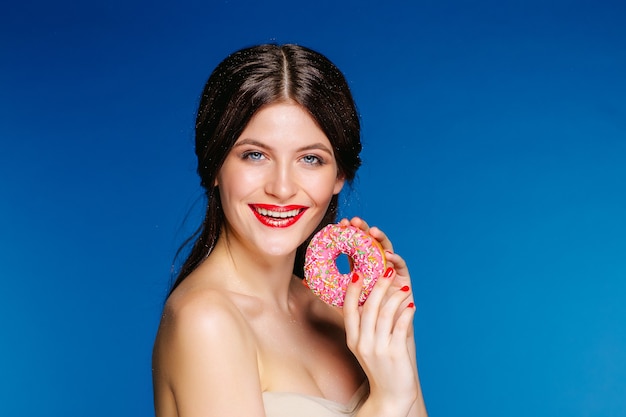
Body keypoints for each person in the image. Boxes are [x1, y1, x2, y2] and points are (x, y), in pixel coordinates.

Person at [152, 43, 428, 417]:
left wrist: (398, 338)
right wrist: (387, 402)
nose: (282, 188)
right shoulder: (206, 322)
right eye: (255, 155)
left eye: (310, 159)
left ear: (339, 175)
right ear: (215, 165)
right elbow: (391, 406)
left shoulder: (337, 312)